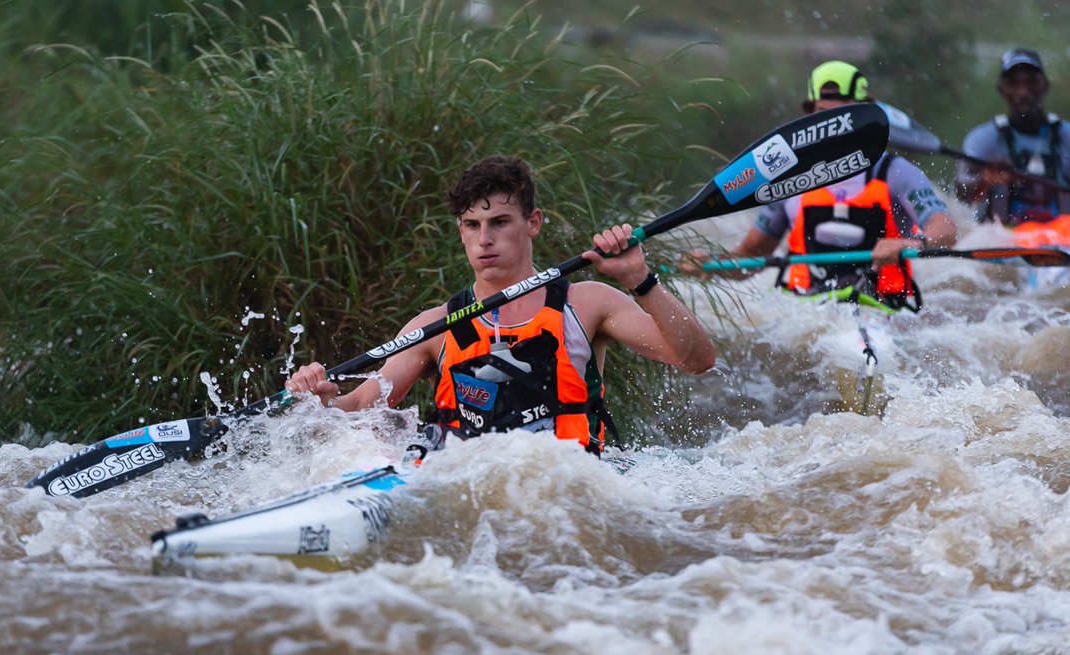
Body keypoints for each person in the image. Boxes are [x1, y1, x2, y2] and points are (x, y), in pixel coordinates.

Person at [285, 155, 716, 453]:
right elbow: (361, 408)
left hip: (569, 483)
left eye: (499, 222)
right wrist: (318, 400)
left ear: (533, 223)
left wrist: (640, 279)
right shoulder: (435, 326)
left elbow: (697, 359)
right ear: (460, 231)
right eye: (471, 225)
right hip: (471, 484)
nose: (484, 238)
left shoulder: (587, 304)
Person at [683, 61, 958, 310]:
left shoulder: (896, 172)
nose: (834, 126)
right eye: (824, 115)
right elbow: (750, 258)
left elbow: (945, 230)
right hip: (807, 314)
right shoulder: (788, 180)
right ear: (809, 116)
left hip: (882, 307)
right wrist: (711, 264)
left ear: (867, 116)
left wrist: (912, 242)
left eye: (846, 116)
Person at [956, 48, 1070, 226]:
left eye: (1031, 82)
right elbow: (962, 196)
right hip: (1004, 241)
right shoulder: (983, 140)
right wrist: (986, 180)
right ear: (1002, 90)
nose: (1023, 92)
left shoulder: (1066, 136)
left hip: (1061, 241)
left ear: (1045, 86)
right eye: (1014, 83)